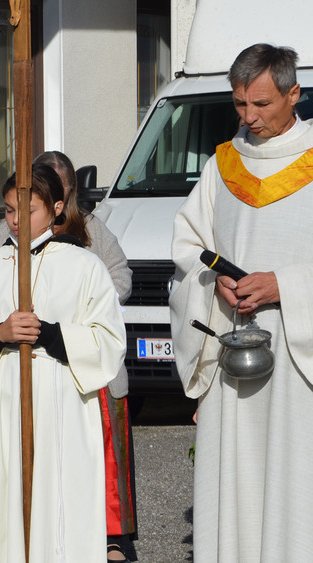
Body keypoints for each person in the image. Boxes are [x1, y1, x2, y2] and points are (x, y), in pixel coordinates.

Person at [169, 43, 313, 561]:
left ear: (294, 94)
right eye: (239, 104)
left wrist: (286, 285)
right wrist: (214, 282)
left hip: (299, 359)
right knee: (236, 477)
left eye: (261, 104)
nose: (248, 117)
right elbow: (189, 246)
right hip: (233, 349)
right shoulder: (223, 166)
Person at [0, 164, 126, 562]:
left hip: (63, 404)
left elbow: (109, 339)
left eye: (28, 211)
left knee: (59, 503)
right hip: (4, 403)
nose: (16, 220)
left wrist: (51, 334)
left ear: (57, 208)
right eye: (9, 210)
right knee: (1, 504)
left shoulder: (84, 266)